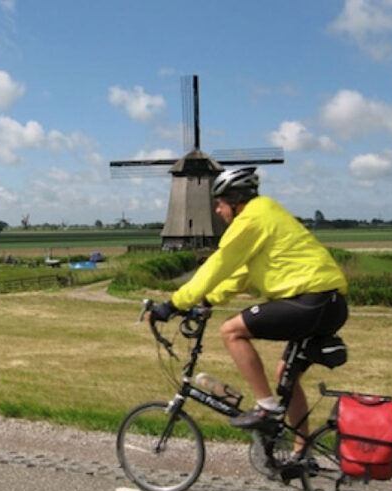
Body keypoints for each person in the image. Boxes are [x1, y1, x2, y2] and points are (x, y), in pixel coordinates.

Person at [149, 167, 348, 454]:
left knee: (231, 330)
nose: (217, 210)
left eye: (219, 203)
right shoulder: (266, 212)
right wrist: (207, 302)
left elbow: (219, 265)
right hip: (330, 304)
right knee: (285, 376)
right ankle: (301, 455)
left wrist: (173, 305)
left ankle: (266, 408)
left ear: (234, 200)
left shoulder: (250, 220)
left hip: (309, 300)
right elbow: (240, 273)